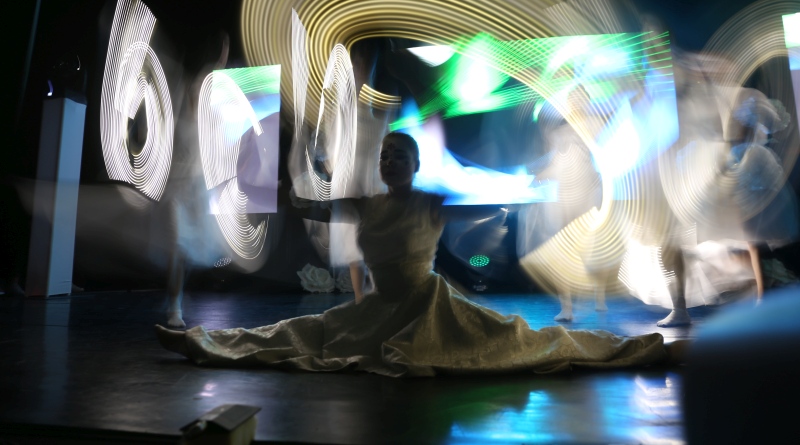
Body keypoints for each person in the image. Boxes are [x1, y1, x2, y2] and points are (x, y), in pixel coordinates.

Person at [157, 132, 685, 376]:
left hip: (427, 303)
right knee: (302, 334)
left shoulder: (431, 204)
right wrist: (287, 192)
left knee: (519, 340)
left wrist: (508, 203)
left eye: (399, 156)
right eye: (384, 155)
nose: (388, 161)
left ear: (413, 165)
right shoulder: (365, 205)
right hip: (379, 308)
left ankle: (636, 350)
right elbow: (312, 208)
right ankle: (204, 342)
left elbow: (480, 210)